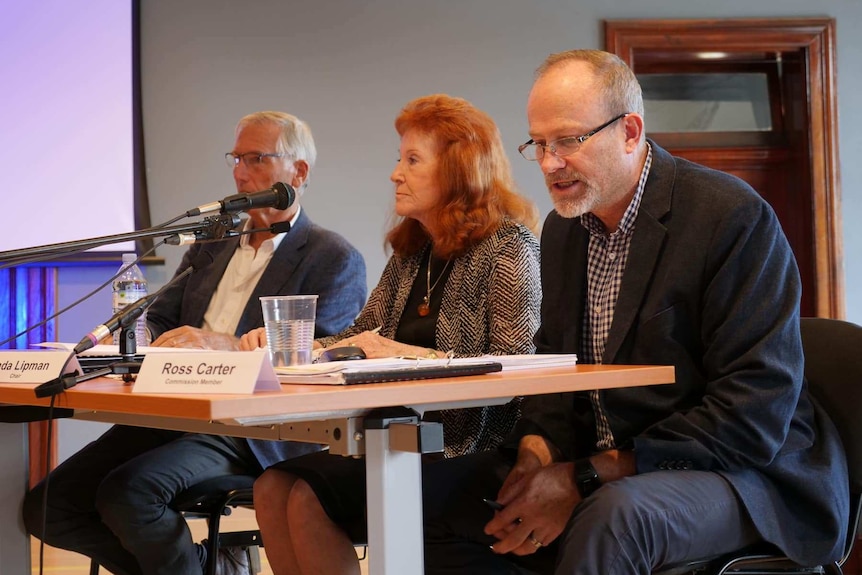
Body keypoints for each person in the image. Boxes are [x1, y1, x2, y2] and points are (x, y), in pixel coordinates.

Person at [419, 50, 849, 575]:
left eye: (570, 140)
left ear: (629, 131)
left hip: (746, 474)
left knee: (613, 518)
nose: (551, 162)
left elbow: (751, 417)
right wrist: (535, 460)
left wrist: (583, 478)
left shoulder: (730, 217)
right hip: (609, 465)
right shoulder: (563, 230)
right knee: (439, 503)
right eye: (540, 143)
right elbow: (557, 376)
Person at [22, 111, 368, 575]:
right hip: (174, 409)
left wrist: (222, 346)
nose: (240, 171)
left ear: (298, 172)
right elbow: (163, 316)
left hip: (250, 429)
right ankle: (206, 567)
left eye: (256, 158)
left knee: (129, 494)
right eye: (236, 158)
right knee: (50, 506)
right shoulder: (211, 245)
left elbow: (319, 353)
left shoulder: (333, 257)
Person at [239, 93, 543, 575]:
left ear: (459, 170)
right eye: (398, 158)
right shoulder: (412, 252)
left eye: (412, 160)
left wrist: (408, 354)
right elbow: (363, 335)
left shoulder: (509, 246)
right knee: (272, 487)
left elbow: (515, 364)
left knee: (306, 499)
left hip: (473, 449)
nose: (394, 173)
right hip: (399, 441)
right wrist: (286, 349)